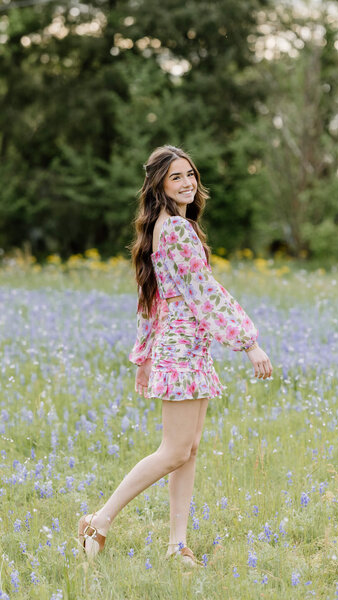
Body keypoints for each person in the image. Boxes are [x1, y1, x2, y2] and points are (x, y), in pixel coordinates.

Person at [78, 145, 273, 566]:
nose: (187, 183)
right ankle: (99, 519)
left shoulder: (166, 227)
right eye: (176, 178)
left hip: (187, 346)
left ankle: (176, 546)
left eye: (190, 175)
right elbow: (206, 293)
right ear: (159, 186)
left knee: (189, 450)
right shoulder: (178, 231)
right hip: (183, 349)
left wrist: (145, 354)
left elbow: (150, 298)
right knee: (173, 450)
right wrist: (248, 341)